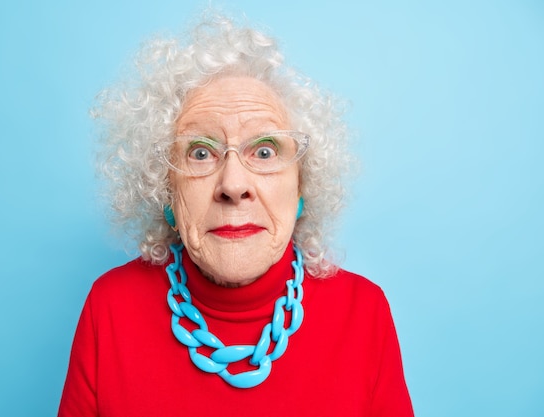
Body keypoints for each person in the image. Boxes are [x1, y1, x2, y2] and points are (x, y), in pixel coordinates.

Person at [58, 11, 414, 417]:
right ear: (166, 191)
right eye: (200, 152)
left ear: (302, 187)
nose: (232, 184)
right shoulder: (110, 308)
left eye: (264, 151)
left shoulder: (363, 313)